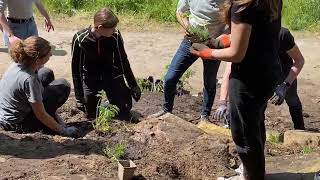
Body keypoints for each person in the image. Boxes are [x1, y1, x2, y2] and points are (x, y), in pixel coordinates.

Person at [190, 0, 283, 179]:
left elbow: (237, 54)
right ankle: (255, 172)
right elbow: (253, 33)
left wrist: (208, 53)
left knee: (243, 134)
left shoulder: (243, 6)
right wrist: (217, 42)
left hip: (248, 79)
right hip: (269, 73)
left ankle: (252, 176)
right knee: (255, 124)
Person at [148, 0, 226, 120]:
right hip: (191, 41)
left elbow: (232, 23)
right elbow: (180, 12)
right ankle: (166, 110)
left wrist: (218, 41)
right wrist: (189, 28)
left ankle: (205, 116)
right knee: (170, 77)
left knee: (209, 82)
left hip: (213, 43)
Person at [215, 27, 305, 130]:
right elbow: (229, 73)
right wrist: (222, 103)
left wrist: (285, 85)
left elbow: (299, 61)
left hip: (284, 74)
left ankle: (300, 130)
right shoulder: (241, 37)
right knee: (252, 105)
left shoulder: (281, 35)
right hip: (259, 76)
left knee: (292, 100)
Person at [0, 36, 78, 137]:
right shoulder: (29, 79)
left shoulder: (18, 63)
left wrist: (58, 118)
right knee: (62, 86)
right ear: (37, 60)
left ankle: (50, 118)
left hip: (6, 115)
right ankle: (47, 127)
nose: (50, 54)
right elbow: (41, 114)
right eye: (48, 54)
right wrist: (63, 130)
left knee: (46, 73)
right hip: (17, 124)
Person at [71, 7, 141, 120]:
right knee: (90, 114)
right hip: (90, 77)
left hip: (111, 74)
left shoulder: (115, 36)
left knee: (124, 109)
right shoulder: (80, 39)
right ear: (99, 28)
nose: (115, 30)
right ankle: (103, 103)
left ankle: (111, 101)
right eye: (112, 28)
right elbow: (76, 69)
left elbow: (123, 60)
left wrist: (133, 85)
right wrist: (79, 97)